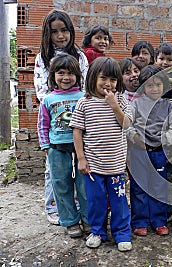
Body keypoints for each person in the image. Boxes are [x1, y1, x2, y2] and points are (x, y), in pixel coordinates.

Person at [69, 57, 133, 252]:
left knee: (119, 201)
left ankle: (122, 233)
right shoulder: (84, 102)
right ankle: (97, 232)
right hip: (93, 166)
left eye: (113, 80)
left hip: (115, 165)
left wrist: (114, 105)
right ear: (93, 78)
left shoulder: (120, 99)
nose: (108, 84)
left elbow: (127, 125)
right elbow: (77, 131)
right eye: (104, 78)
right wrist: (81, 158)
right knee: (96, 202)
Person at [34, 9, 89, 225]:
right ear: (47, 34)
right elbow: (42, 92)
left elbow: (86, 88)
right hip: (57, 127)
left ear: (71, 31)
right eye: (54, 32)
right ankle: (54, 208)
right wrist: (60, 100)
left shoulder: (80, 57)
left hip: (80, 128)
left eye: (64, 31)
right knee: (55, 173)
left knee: (82, 172)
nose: (60, 36)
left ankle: (79, 209)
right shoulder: (43, 58)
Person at [126, 65, 172, 236]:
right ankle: (139, 221)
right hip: (139, 151)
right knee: (139, 187)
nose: (154, 88)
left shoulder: (168, 106)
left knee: (158, 186)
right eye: (150, 85)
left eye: (158, 85)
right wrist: (136, 138)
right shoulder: (135, 104)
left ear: (164, 85)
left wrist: (163, 141)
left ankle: (158, 221)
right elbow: (127, 124)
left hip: (159, 152)